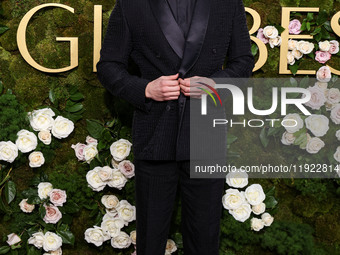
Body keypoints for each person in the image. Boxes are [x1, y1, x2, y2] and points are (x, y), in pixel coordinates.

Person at [97, 0, 255, 254]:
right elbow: (108, 66)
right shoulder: (131, 4)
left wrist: (214, 85)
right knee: (150, 240)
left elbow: (243, 62)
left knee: (205, 239)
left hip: (206, 135)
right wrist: (146, 89)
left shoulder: (228, 3)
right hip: (155, 134)